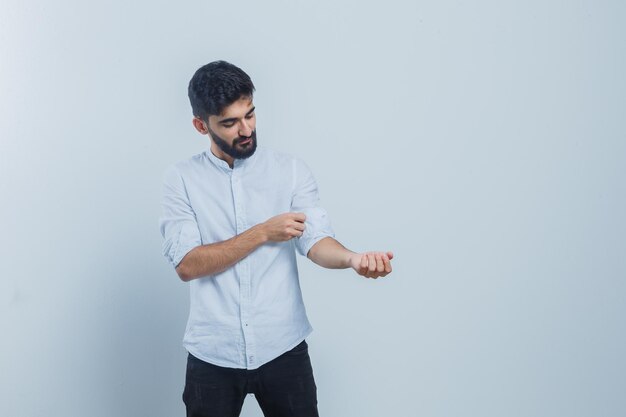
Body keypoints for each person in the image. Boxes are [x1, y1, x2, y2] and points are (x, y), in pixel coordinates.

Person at [159, 60, 394, 417]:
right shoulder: (181, 180)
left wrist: (352, 259)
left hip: (283, 348)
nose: (246, 129)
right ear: (200, 125)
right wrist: (262, 233)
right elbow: (188, 265)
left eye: (250, 115)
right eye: (230, 122)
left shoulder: (291, 171)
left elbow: (315, 240)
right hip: (213, 354)